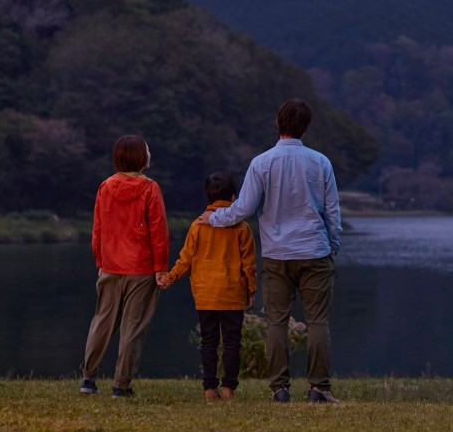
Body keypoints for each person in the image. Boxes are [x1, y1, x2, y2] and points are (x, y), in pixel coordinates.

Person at [200, 98, 342, 403]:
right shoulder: (321, 162)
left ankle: (279, 388)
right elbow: (332, 212)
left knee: (276, 321)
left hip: (277, 253)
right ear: (306, 127)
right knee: (318, 321)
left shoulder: (261, 163)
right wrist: (333, 245)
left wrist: (213, 218)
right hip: (315, 250)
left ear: (278, 124)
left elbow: (243, 209)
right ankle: (319, 388)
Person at [80, 135, 169, 398]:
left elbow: (98, 228)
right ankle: (121, 385)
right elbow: (159, 232)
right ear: (140, 157)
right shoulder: (150, 188)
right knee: (133, 328)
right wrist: (161, 267)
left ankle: (88, 378)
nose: (150, 153)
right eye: (147, 150)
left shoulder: (105, 186)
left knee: (102, 322)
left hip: (110, 265)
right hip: (141, 268)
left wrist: (101, 259)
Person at [157, 172, 256, 401]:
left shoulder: (197, 226)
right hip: (231, 293)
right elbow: (248, 264)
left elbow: (186, 259)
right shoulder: (242, 228)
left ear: (208, 197)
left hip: (205, 293)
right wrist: (251, 291)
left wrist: (170, 277)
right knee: (232, 342)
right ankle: (229, 388)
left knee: (209, 341)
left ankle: (210, 389)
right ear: (234, 197)